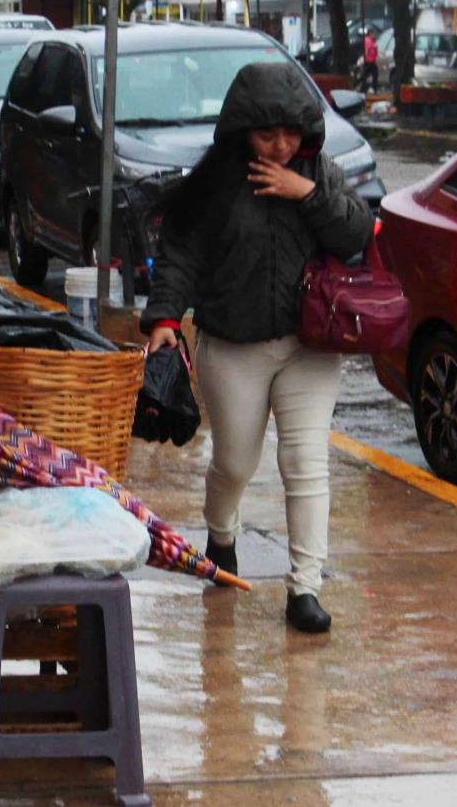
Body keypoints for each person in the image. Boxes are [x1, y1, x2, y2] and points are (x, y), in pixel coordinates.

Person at [143, 62, 372, 634]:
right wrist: (164, 319)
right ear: (241, 129)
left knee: (305, 462)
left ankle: (305, 588)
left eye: (291, 133)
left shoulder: (318, 172)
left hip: (310, 345)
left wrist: (309, 194)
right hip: (232, 344)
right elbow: (179, 255)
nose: (281, 145)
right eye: (267, 133)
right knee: (235, 462)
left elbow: (356, 236)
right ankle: (221, 538)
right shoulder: (216, 184)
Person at [361, 28, 379, 93]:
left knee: (368, 75)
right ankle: (368, 89)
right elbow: (367, 50)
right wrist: (364, 59)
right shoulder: (368, 40)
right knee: (370, 75)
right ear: (370, 33)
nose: (375, 35)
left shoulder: (372, 40)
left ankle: (369, 89)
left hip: (372, 62)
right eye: (374, 33)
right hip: (369, 62)